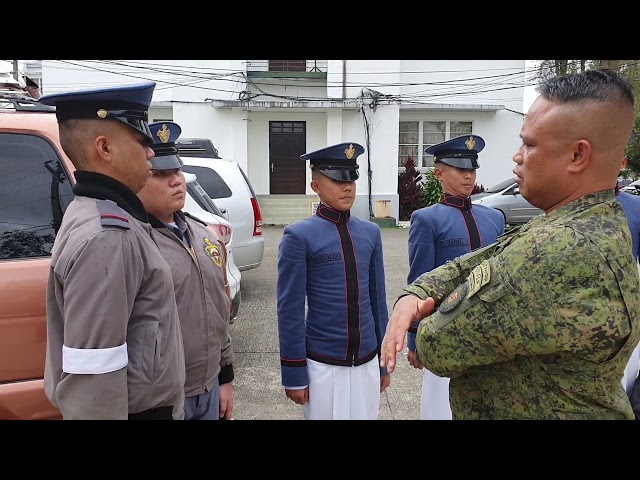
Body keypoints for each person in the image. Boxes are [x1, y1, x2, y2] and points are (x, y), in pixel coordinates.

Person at [380, 68, 640, 419]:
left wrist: (426, 318)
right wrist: (420, 289)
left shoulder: (555, 248)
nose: (517, 157)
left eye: (530, 144)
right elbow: (487, 257)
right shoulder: (599, 220)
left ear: (578, 156)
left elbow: (436, 345)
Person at [40, 83, 186, 420]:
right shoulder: (108, 235)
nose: (151, 152)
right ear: (104, 148)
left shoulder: (103, 216)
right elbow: (94, 380)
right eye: (141, 141)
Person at [276, 142, 390, 420]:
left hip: (365, 362)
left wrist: (383, 362)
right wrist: (294, 373)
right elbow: (289, 309)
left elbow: (378, 302)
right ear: (316, 185)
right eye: (338, 179)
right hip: (322, 365)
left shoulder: (370, 233)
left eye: (351, 178)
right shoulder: (299, 236)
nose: (347, 187)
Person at [137, 121, 234, 420]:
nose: (176, 181)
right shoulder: (134, 241)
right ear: (138, 178)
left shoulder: (203, 234)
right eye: (161, 174)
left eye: (176, 171)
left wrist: (225, 376)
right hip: (161, 399)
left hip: (209, 388)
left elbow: (219, 308)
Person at [406, 134, 505, 420]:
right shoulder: (427, 220)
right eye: (460, 170)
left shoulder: (494, 218)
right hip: (445, 331)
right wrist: (415, 339)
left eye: (471, 170)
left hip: (488, 333)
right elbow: (420, 281)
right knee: (441, 408)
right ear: (439, 173)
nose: (468, 176)